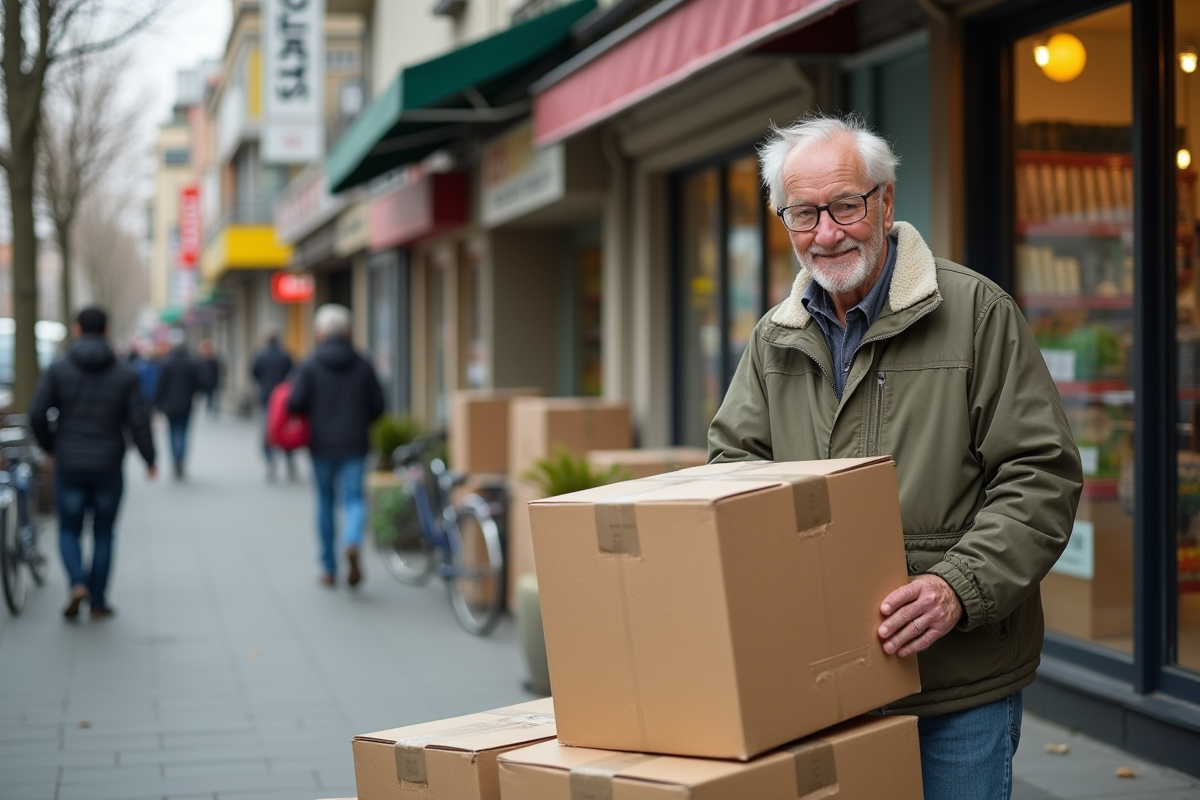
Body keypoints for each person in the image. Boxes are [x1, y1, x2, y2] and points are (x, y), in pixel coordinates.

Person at [706, 115, 1083, 800]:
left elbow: (1040, 476)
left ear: (884, 202)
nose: (827, 233)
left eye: (845, 205)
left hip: (955, 682)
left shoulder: (976, 313)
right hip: (821, 686)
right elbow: (732, 476)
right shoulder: (773, 340)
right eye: (804, 214)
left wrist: (957, 588)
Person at [29, 306, 157, 620]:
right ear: (107, 331)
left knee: (69, 528)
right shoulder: (124, 372)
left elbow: (36, 413)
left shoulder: (59, 369)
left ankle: (76, 584)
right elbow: (138, 420)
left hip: (70, 461)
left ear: (76, 330)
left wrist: (51, 446)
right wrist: (149, 457)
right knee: (103, 532)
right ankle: (98, 601)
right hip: (109, 464)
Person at [287, 304, 384, 588]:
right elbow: (378, 406)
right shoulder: (363, 363)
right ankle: (351, 540)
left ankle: (328, 567)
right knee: (354, 499)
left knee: (325, 502)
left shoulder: (310, 364)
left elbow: (295, 404)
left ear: (320, 333)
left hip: (322, 446)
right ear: (347, 331)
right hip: (355, 444)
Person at [154, 330, 202, 480]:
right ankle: (180, 460)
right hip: (186, 403)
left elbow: (160, 385)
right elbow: (198, 383)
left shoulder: (166, 363)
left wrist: (157, 402)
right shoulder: (191, 363)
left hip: (169, 405)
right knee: (182, 432)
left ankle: (175, 460)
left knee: (173, 432)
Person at [251, 331, 295, 481]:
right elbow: (293, 374)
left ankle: (270, 460)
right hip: (284, 398)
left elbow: (254, 373)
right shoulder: (285, 356)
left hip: (266, 398)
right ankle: (289, 458)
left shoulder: (260, 356)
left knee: (268, 430)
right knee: (286, 428)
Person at [196, 339, 224, 417]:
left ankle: (210, 408)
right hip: (202, 382)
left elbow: (218, 370)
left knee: (211, 396)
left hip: (212, 381)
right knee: (205, 397)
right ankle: (208, 408)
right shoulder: (199, 359)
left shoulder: (214, 360)